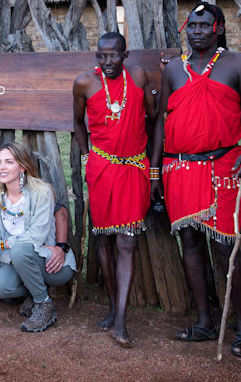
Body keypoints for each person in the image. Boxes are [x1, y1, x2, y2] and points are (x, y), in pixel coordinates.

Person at [152, 2, 241, 357]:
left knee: (228, 247)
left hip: (224, 167)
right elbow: (160, 124)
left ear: (218, 27)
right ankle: (203, 322)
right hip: (180, 169)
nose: (197, 31)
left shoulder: (238, 64)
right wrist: (155, 172)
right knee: (191, 243)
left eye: (204, 25)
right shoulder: (174, 71)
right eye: (192, 26)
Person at [72, 32, 155, 347]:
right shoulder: (84, 83)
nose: (108, 62)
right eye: (102, 56)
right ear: (97, 56)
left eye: (114, 56)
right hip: (102, 168)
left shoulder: (137, 76)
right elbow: (78, 122)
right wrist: (86, 154)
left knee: (127, 242)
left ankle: (120, 320)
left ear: (126, 54)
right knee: (103, 241)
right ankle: (111, 308)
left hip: (133, 167)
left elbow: (153, 113)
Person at [0, 143, 76, 332]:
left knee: (21, 248)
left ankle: (44, 305)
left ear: (22, 166)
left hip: (51, 262)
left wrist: (3, 245)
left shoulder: (41, 192)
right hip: (18, 259)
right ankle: (33, 289)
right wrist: (11, 257)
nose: (2, 167)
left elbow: (35, 238)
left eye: (9, 162)